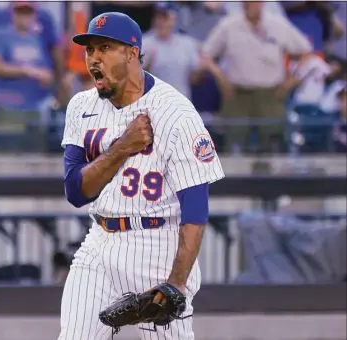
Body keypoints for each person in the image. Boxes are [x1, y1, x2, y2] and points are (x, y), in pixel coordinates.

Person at [59, 12, 225, 340]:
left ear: (132, 54)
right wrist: (122, 147)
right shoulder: (81, 106)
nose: (94, 59)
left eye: (104, 48)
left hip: (157, 246)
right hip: (100, 240)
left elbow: (195, 208)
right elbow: (76, 192)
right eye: (90, 50)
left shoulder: (175, 113)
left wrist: (176, 282)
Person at [201, 1, 312, 153]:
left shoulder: (278, 24)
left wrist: (290, 81)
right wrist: (221, 79)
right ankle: (233, 176)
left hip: (271, 95)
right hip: (237, 94)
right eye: (245, 2)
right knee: (233, 141)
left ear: (261, 3)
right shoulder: (228, 25)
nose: (248, 5)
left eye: (252, 2)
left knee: (273, 143)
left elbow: (306, 52)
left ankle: (272, 176)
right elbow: (206, 55)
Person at [0, 1, 54, 149]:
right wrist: (25, 70)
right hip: (8, 106)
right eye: (20, 12)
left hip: (34, 106)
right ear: (13, 14)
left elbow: (46, 70)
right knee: (6, 153)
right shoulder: (1, 35)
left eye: (28, 13)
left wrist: (46, 77)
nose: (24, 17)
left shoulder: (36, 39)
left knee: (35, 154)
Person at [142, 2, 200, 100]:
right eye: (157, 17)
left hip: (182, 103)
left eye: (164, 17)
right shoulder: (144, 43)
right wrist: (148, 66)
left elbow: (194, 78)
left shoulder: (187, 43)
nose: (159, 22)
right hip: (154, 103)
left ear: (174, 19)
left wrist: (205, 67)